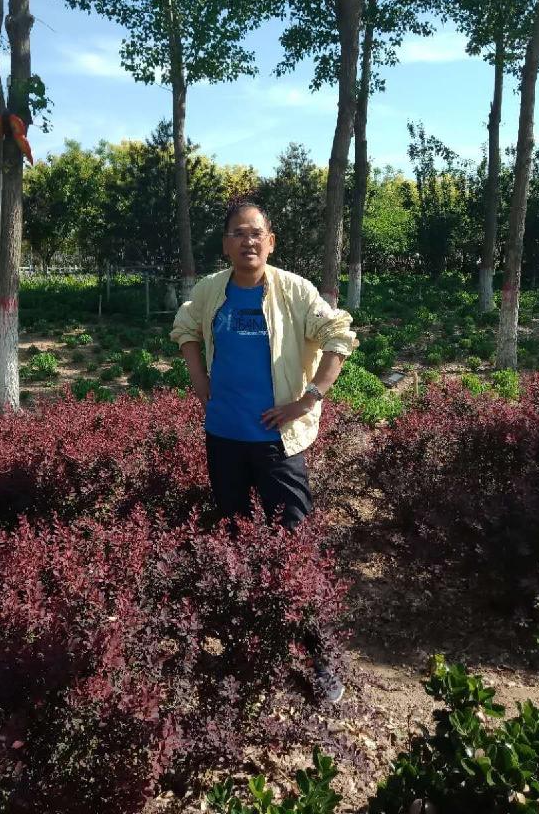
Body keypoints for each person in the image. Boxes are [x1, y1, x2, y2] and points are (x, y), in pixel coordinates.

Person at [170, 200, 358, 703]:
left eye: (256, 233)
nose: (247, 241)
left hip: (278, 444)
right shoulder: (211, 290)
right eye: (238, 233)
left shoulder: (295, 291)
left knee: (294, 544)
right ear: (225, 244)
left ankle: (320, 656)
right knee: (234, 539)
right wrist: (200, 381)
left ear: (270, 242)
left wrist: (310, 397)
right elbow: (186, 327)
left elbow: (339, 336)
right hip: (224, 438)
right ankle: (250, 647)